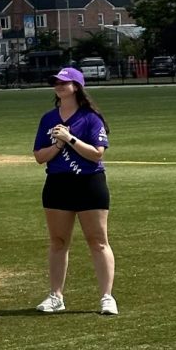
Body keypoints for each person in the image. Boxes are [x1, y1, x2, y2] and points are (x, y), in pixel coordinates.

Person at [32, 67, 116, 315]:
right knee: (58, 242)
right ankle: (56, 295)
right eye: (56, 82)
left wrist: (70, 139)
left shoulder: (90, 118)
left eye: (64, 82)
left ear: (77, 87)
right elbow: (39, 156)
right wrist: (57, 144)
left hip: (89, 183)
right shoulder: (48, 119)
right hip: (58, 183)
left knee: (98, 241)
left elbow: (97, 153)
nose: (58, 85)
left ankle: (106, 297)